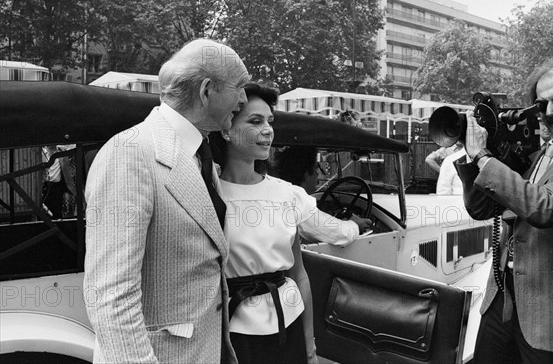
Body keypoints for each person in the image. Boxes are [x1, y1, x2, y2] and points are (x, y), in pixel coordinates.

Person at [84, 38, 250, 363]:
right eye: (239, 87)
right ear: (206, 91)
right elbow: (111, 297)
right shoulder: (129, 154)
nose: (244, 99)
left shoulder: (197, 155)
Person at [210, 83, 373, 364]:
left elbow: (299, 275)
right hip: (234, 330)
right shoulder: (208, 195)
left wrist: (310, 347)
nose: (267, 130)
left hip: (290, 321)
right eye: (255, 121)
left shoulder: (287, 194)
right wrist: (356, 225)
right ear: (226, 129)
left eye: (270, 121)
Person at [455, 56, 553, 363]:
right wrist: (476, 159)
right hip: (503, 301)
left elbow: (544, 207)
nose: (549, 111)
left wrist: (482, 156)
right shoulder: (538, 152)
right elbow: (482, 209)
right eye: (541, 103)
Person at [271, 146, 372, 246]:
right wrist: (355, 225)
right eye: (316, 169)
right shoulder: (295, 199)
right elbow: (337, 233)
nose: (317, 175)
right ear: (306, 175)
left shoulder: (277, 191)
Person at [41, 144, 76, 218]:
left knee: (57, 212)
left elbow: (73, 146)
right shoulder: (40, 152)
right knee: (43, 213)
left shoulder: (61, 151)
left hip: (57, 187)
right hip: (44, 186)